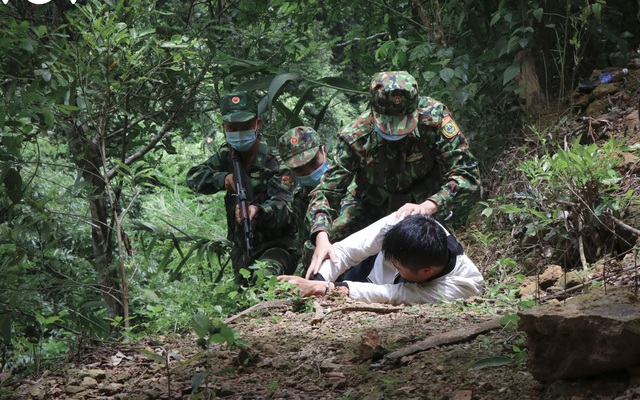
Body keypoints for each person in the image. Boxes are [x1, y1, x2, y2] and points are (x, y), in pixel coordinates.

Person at [306, 70, 480, 277]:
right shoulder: (355, 136)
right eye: (388, 124)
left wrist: (430, 205)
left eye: (403, 122)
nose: (395, 131)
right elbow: (326, 191)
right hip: (369, 202)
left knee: (428, 256)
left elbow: (466, 172)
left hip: (423, 204)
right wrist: (321, 236)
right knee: (325, 246)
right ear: (373, 112)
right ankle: (306, 286)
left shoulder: (435, 119)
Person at [186, 91, 298, 285]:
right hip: (242, 250)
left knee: (264, 280)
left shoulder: (275, 162)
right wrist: (223, 179)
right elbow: (194, 177)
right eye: (233, 128)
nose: (239, 133)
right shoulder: (226, 156)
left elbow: (285, 207)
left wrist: (258, 211)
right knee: (243, 303)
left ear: (258, 124)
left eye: (245, 127)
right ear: (224, 128)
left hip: (276, 247)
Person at [278, 212, 483, 305]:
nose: (392, 266)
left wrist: (325, 289)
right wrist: (318, 279)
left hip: (383, 289)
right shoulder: (405, 222)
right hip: (368, 274)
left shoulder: (461, 285)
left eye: (397, 265)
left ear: (426, 272)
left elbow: (394, 294)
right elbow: (346, 251)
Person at [276, 126, 357, 269]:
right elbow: (304, 241)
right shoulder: (299, 197)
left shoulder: (349, 178)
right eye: (300, 169)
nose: (310, 172)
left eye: (313, 163)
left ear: (323, 151)